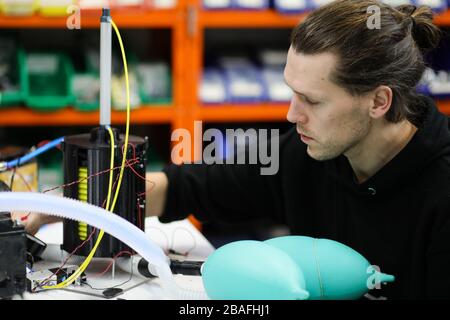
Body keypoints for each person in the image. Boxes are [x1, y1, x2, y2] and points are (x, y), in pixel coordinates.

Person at [22, 0, 450, 299]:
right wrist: (67, 205)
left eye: (312, 101)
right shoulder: (309, 154)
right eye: (291, 93)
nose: (290, 114)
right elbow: (187, 185)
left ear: (379, 101)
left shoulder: (440, 194)